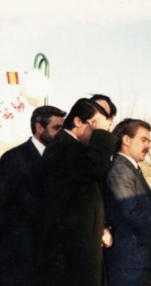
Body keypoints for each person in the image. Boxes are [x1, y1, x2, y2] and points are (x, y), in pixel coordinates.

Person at [33, 98, 115, 286]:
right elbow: (91, 169)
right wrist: (102, 135)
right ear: (78, 121)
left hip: (79, 251)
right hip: (69, 257)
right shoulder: (61, 147)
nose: (97, 134)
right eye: (94, 126)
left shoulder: (75, 149)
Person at [0, 105, 66, 286]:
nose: (61, 134)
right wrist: (15, 242)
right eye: (56, 128)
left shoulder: (61, 160)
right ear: (39, 127)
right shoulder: (14, 158)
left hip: (49, 256)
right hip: (18, 255)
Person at [103, 118, 151, 285]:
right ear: (126, 139)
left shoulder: (131, 169)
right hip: (127, 262)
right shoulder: (119, 170)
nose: (148, 146)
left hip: (136, 260)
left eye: (149, 141)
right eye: (143, 140)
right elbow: (131, 211)